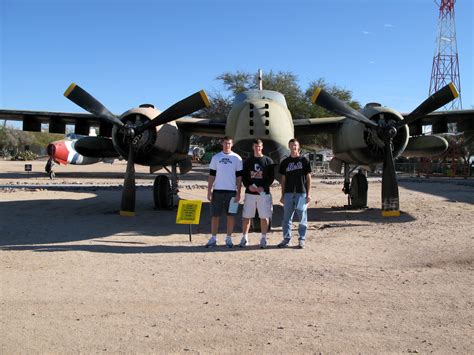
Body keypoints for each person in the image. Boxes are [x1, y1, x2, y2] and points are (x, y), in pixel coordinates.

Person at [205, 136, 243, 248]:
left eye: (229, 143)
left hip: (231, 192)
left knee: (231, 216)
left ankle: (229, 239)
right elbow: (212, 175)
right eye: (225, 143)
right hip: (217, 191)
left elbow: (239, 177)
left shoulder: (237, 158)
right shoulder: (216, 158)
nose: (227, 145)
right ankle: (213, 238)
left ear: (232, 145)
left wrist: (239, 192)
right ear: (222, 144)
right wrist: (209, 191)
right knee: (215, 216)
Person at [240, 139, 275, 249]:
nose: (257, 148)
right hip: (250, 194)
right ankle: (245, 237)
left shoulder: (268, 161)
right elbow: (244, 177)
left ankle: (263, 238)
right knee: (247, 216)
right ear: (253, 147)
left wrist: (263, 187)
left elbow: (271, 178)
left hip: (263, 194)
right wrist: (248, 186)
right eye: (256, 146)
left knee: (264, 217)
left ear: (262, 147)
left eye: (259, 146)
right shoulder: (248, 161)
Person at [278, 138, 312, 249]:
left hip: (301, 193)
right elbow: (283, 180)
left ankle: (301, 239)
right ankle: (286, 239)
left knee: (302, 217)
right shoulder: (285, 162)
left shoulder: (304, 161)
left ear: (299, 147)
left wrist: (309, 193)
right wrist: (282, 195)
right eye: (292, 145)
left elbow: (308, 178)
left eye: (296, 145)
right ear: (289, 147)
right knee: (286, 218)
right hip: (288, 193)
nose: (294, 147)